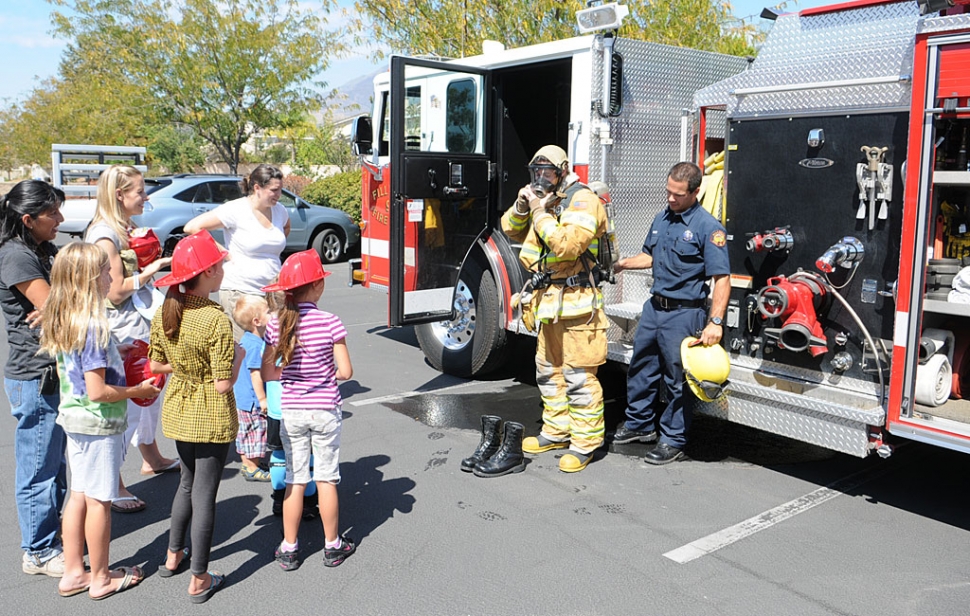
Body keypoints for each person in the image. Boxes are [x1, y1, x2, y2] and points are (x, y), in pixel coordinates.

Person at [39, 242, 157, 599]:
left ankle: (74, 571)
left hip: (74, 419)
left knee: (79, 495)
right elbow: (98, 390)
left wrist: (115, 353)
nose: (111, 277)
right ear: (89, 279)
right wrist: (138, 388)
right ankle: (102, 577)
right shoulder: (94, 325)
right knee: (100, 501)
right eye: (106, 271)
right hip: (98, 422)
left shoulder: (65, 317)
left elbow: (81, 368)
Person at [499, 145, 608, 474]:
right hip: (550, 305)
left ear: (563, 170)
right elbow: (510, 229)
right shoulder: (547, 200)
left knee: (578, 377)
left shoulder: (582, 200)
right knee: (549, 373)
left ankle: (585, 443)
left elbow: (566, 245)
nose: (540, 179)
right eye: (536, 173)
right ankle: (556, 432)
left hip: (579, 308)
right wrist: (523, 205)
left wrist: (538, 210)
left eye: (547, 172)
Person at [612, 161, 730, 464]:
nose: (671, 199)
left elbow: (721, 279)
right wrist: (623, 263)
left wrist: (715, 321)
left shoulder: (708, 227)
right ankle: (639, 425)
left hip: (684, 314)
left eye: (678, 195)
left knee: (677, 379)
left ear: (695, 191)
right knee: (641, 368)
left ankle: (673, 440)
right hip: (654, 308)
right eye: (668, 192)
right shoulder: (662, 218)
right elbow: (648, 257)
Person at [149, 230, 242, 604]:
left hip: (180, 405)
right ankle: (199, 577)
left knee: (187, 484)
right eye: (218, 266)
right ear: (205, 274)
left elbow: (156, 363)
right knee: (205, 492)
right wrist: (238, 359)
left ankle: (173, 555)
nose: (222, 271)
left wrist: (185, 365)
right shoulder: (215, 319)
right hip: (210, 410)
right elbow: (223, 385)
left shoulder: (166, 309)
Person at [86, 164, 177, 515]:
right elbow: (115, 291)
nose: (146, 196)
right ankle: (115, 485)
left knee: (150, 393)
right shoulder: (105, 235)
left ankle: (151, 457)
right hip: (123, 327)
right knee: (129, 405)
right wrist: (153, 271)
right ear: (119, 195)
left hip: (139, 322)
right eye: (139, 191)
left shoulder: (123, 227)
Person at [261, 249, 355, 571]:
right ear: (317, 286)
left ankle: (289, 547)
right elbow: (345, 372)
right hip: (325, 409)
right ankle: (332, 545)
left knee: (295, 479)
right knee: (327, 478)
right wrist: (324, 374)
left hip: (293, 411)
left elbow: (269, 373)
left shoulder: (277, 324)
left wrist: (291, 373)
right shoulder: (330, 322)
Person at [0, 180, 67, 576]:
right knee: (38, 469)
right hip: (34, 374)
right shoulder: (16, 257)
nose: (60, 219)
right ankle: (39, 551)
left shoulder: (42, 249)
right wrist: (62, 302)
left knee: (53, 464)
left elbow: (69, 299)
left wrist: (64, 300)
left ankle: (53, 537)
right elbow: (58, 305)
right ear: (27, 219)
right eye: (52, 214)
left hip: (51, 370)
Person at [183, 164, 291, 340]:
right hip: (241, 292)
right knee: (243, 352)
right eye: (274, 190)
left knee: (270, 353)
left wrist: (271, 248)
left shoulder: (280, 210)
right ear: (257, 188)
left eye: (280, 190)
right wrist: (223, 252)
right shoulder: (236, 209)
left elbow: (286, 227)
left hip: (271, 295)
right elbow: (193, 227)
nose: (279, 195)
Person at [233, 295, 271, 481]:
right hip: (251, 399)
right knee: (255, 432)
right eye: (268, 312)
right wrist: (262, 398)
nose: (272, 314)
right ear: (257, 321)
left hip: (243, 397)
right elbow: (255, 374)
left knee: (248, 431)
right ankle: (251, 466)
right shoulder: (255, 346)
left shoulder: (249, 339)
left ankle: (250, 461)